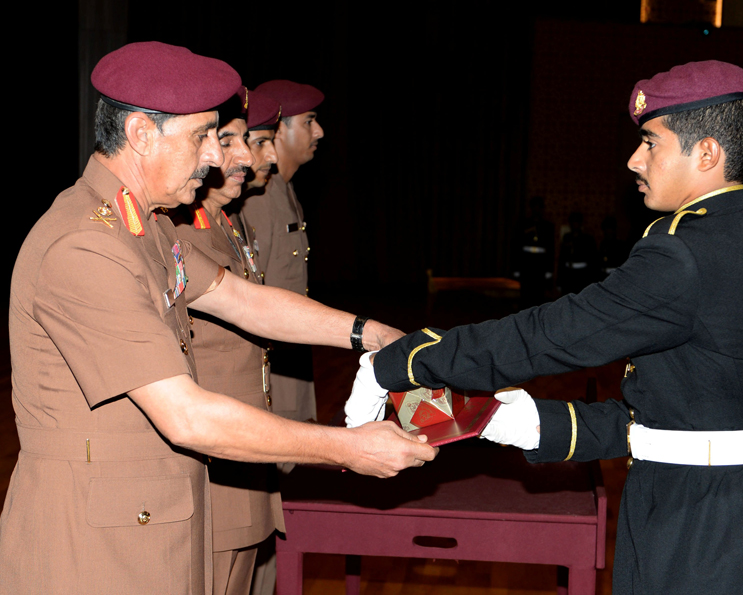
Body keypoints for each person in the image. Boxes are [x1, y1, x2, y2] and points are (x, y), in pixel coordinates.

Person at [346, 61, 743, 594]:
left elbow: (547, 336)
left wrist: (400, 361)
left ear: (706, 153)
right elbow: (683, 412)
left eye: (650, 142)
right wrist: (529, 423)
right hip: (705, 507)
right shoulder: (733, 235)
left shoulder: (686, 253)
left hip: (706, 534)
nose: (634, 159)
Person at [0, 42, 436, 595]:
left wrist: (371, 334)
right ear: (140, 134)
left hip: (152, 527)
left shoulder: (146, 227)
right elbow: (188, 418)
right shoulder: (87, 245)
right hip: (94, 550)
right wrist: (348, 448)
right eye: (201, 135)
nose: (216, 156)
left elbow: (243, 301)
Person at [172, 87, 281, 595]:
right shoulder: (183, 235)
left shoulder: (225, 225)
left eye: (246, 140)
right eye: (228, 139)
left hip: (243, 456)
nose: (245, 157)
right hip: (217, 462)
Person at [237, 80, 324, 428]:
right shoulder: (259, 196)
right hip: (271, 349)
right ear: (279, 131)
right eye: (308, 121)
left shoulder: (283, 190)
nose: (318, 131)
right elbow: (253, 285)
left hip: (290, 343)